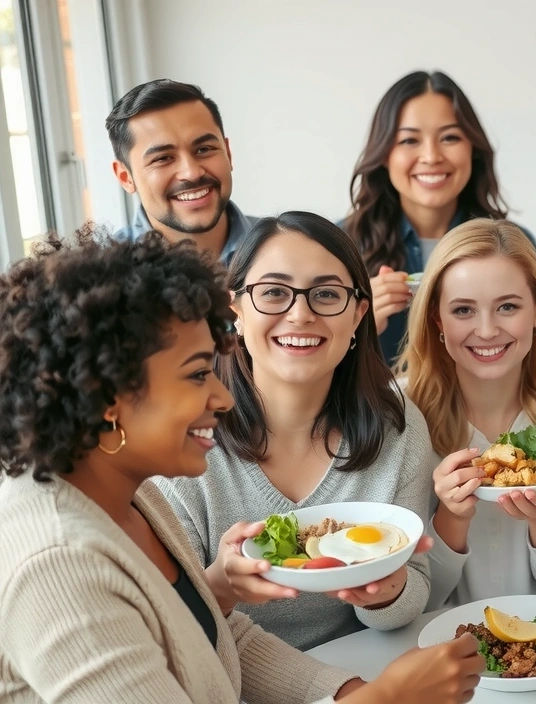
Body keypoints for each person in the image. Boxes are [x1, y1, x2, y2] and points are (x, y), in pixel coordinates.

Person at [0, 229, 484, 704]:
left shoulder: (132, 495)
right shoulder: (57, 564)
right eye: (196, 374)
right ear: (108, 394)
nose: (223, 395)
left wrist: (347, 692)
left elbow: (218, 632)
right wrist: (391, 698)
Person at [156, 212, 435, 652]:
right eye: (273, 293)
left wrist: (388, 594)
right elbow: (167, 623)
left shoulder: (397, 425)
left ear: (359, 314)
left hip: (359, 674)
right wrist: (219, 584)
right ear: (237, 311)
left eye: (326, 294)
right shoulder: (185, 438)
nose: (300, 314)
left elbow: (413, 589)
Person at [397, 218, 536, 610]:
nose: (488, 330)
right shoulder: (400, 411)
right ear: (437, 319)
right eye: (463, 310)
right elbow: (415, 601)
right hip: (439, 653)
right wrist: (451, 519)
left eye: (507, 306)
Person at [344, 70, 536, 365]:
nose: (432, 156)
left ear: (473, 148)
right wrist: (353, 324)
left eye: (449, 137)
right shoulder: (339, 245)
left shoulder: (512, 245)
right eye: (410, 141)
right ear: (384, 153)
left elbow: (533, 354)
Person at [106, 79, 256, 263]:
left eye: (204, 149)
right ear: (125, 178)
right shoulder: (100, 276)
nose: (192, 173)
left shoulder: (293, 248)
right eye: (162, 158)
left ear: (228, 153)